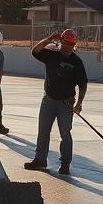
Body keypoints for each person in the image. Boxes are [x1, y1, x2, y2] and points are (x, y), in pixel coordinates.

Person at [24, 29, 88, 175]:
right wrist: (49, 39)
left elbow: (83, 84)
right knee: (43, 130)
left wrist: (79, 103)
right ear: (61, 42)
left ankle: (65, 163)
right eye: (65, 43)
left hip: (65, 103)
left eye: (71, 44)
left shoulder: (77, 62)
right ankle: (40, 159)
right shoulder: (51, 54)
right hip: (49, 99)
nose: (68, 47)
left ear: (74, 45)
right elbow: (35, 51)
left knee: (65, 133)